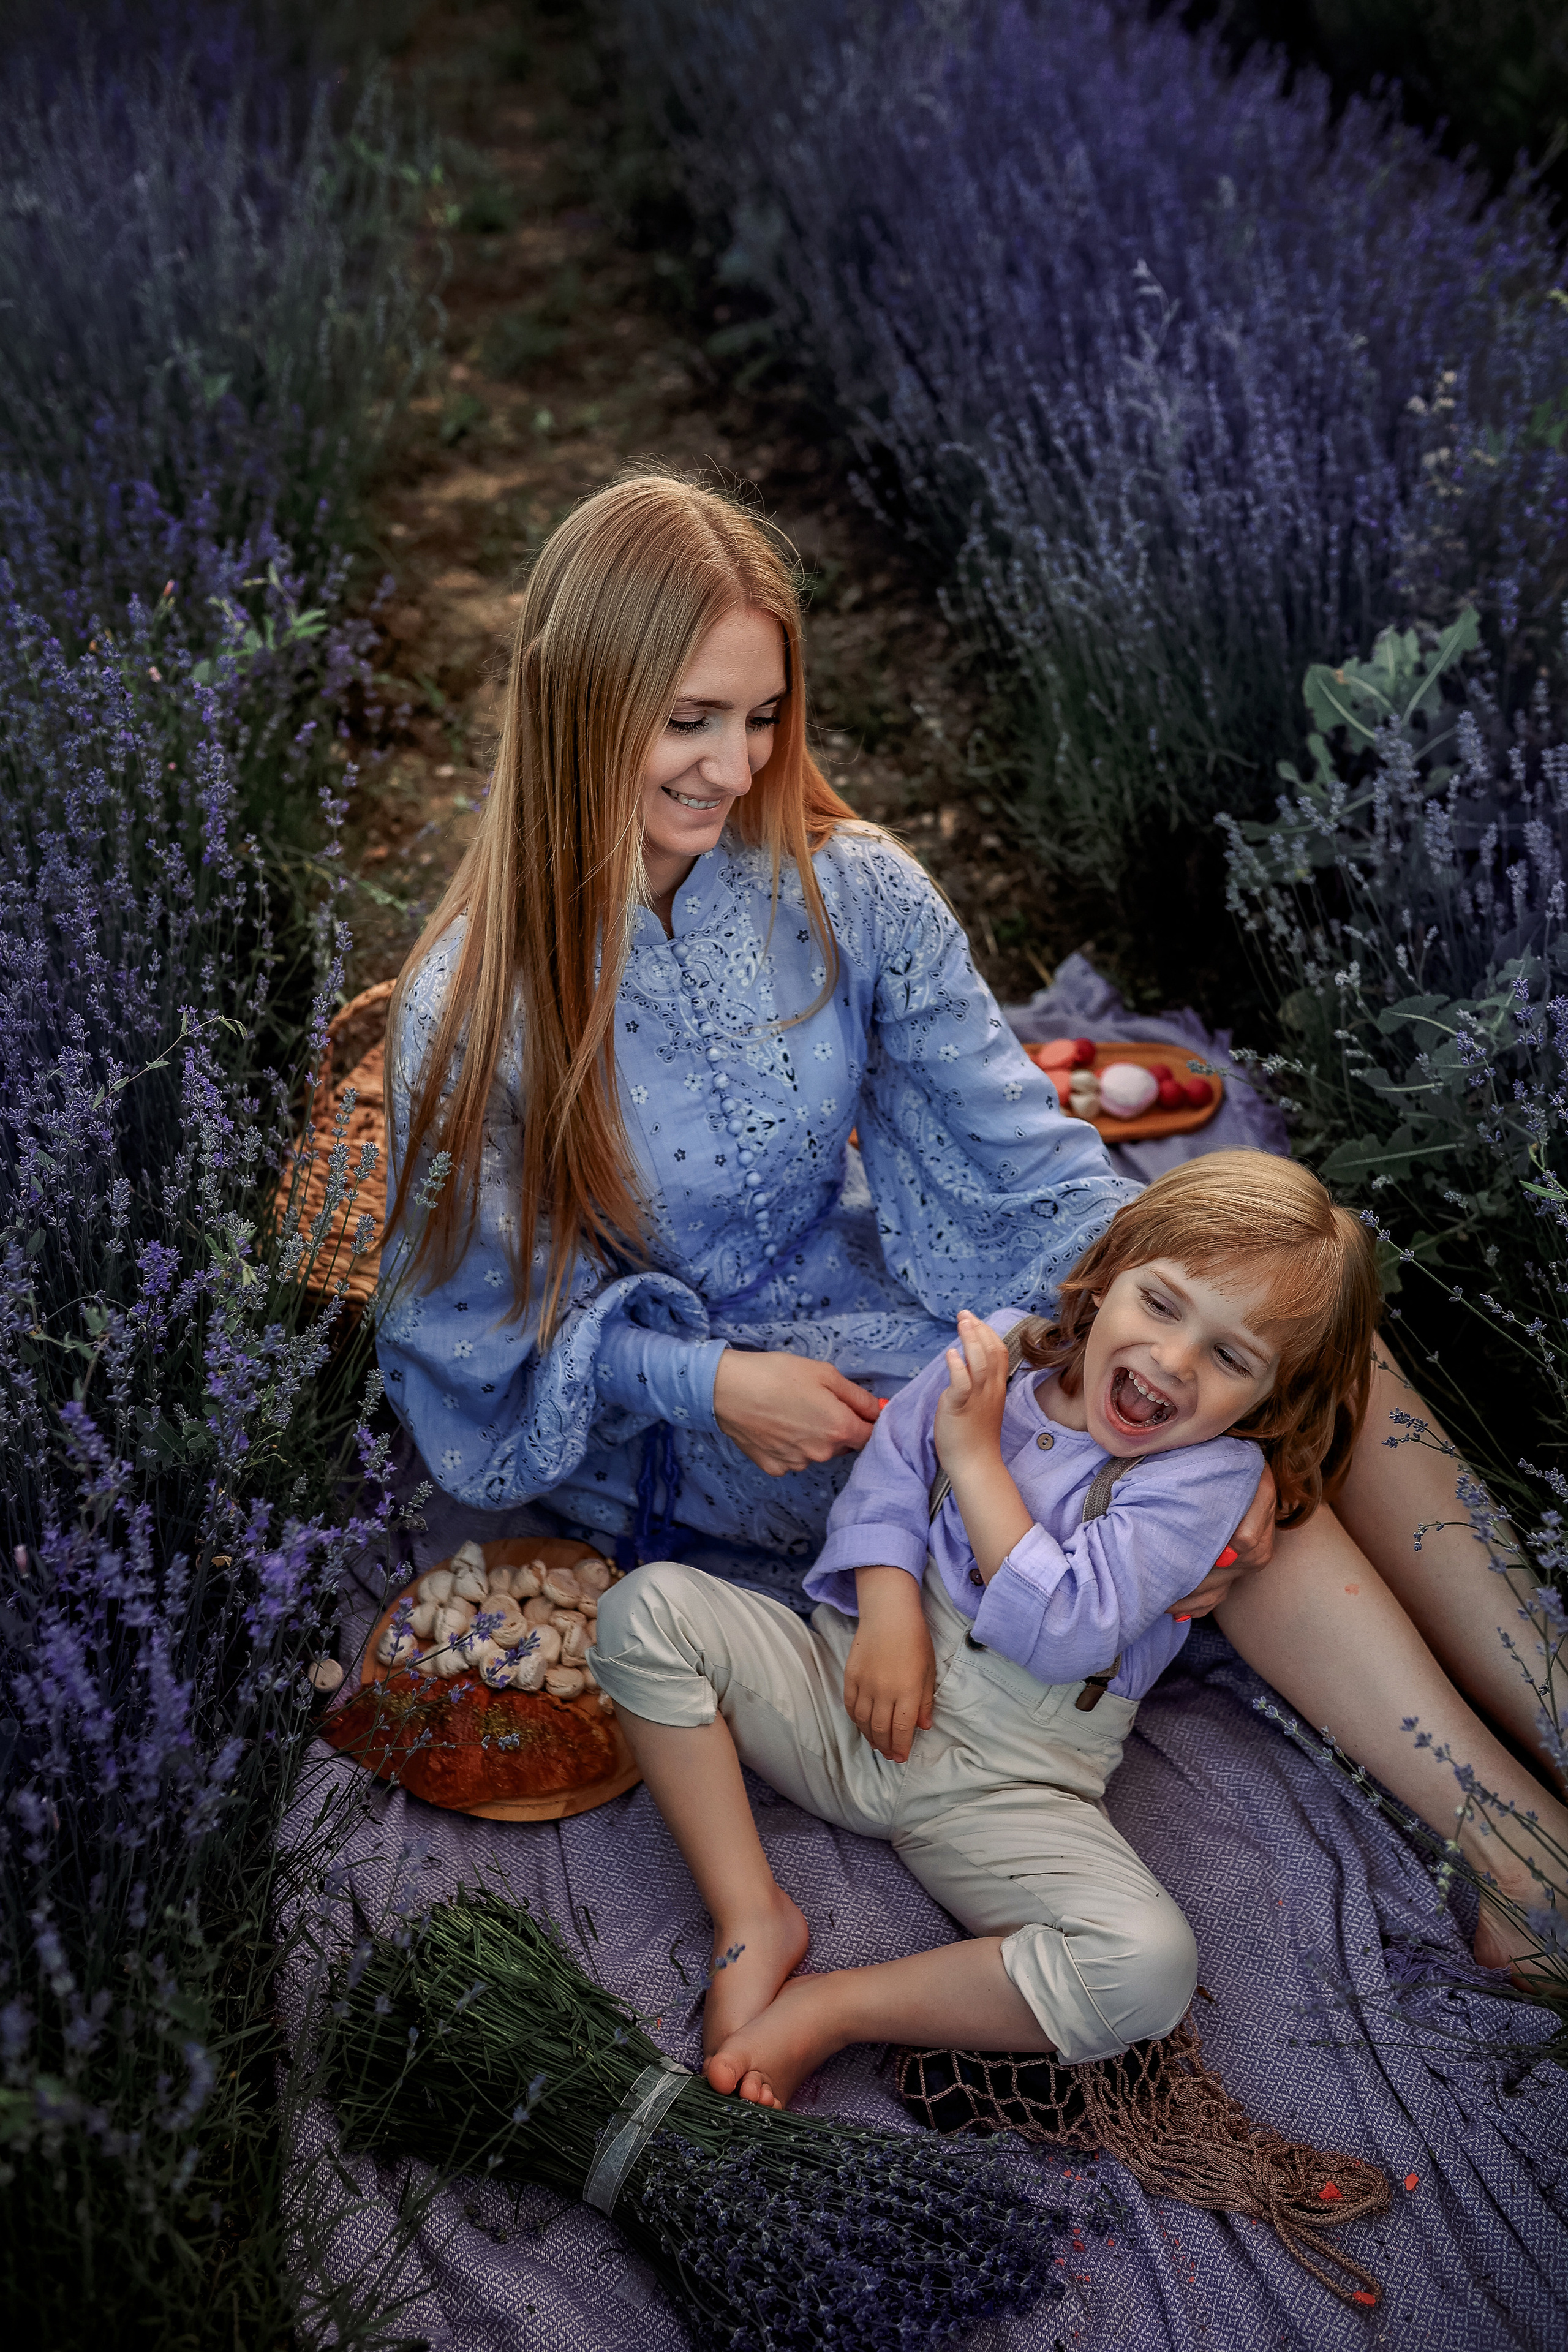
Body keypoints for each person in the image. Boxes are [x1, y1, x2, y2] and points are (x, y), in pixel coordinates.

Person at [380, 467, 1564, 1989]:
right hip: (721, 1420)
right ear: (576, 699)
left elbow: (1022, 1154)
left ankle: (1548, 1718)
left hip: (886, 1283)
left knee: (1286, 1331)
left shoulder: (846, 888)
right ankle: (1512, 1847)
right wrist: (706, 1383)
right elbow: (455, 1326)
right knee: (1183, 1466)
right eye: (687, 719)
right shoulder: (475, 1010)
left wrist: (1186, 1309)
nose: (733, 766)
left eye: (758, 715)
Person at [589, 1155, 1385, 2105]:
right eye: (1163, 1305)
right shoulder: (1002, 1352)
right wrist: (886, 1608)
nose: (1175, 1361)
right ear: (1109, 1275)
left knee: (1147, 1970)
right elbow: (886, 1476)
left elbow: (1071, 1629)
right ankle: (751, 1909)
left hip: (1006, 1786)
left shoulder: (1203, 1483)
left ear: (1270, 1397)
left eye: (1231, 1357)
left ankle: (838, 2008)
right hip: (847, 1696)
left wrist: (972, 1454)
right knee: (646, 1611)